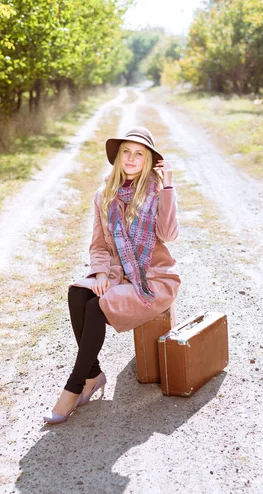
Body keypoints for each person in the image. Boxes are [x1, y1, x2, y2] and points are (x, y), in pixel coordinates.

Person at [43, 126, 180, 424]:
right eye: (126, 153)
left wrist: (168, 186)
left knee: (96, 306)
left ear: (148, 161)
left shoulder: (157, 192)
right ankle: (93, 375)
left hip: (152, 280)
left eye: (139, 154)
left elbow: (168, 234)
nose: (131, 159)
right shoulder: (104, 195)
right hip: (120, 275)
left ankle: (73, 387)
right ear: (118, 158)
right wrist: (101, 272)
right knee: (78, 292)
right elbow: (99, 244)